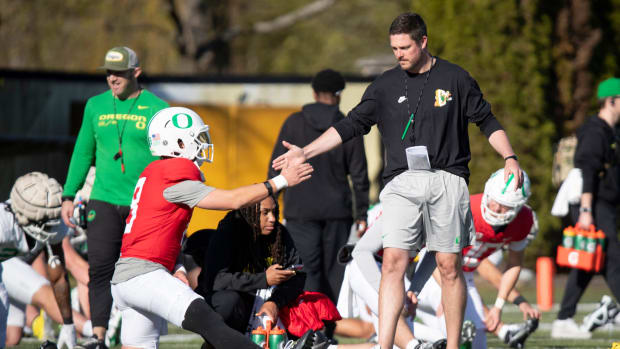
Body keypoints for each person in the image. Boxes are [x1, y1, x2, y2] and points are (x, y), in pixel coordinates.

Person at [272, 13, 523, 349]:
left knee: (449, 266)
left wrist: (510, 157)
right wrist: (307, 152)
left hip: (448, 179)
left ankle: (452, 346)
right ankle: (386, 345)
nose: (399, 54)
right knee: (393, 261)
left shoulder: (456, 78)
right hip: (402, 183)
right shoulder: (385, 86)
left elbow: (487, 121)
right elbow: (350, 126)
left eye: (405, 47)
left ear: (423, 41)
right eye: (393, 48)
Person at [109, 106, 323, 349]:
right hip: (145, 277)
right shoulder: (173, 177)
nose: (202, 145)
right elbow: (233, 200)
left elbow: (154, 233)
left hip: (126, 278)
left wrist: (177, 265)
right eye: (196, 139)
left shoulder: (155, 174)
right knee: (210, 323)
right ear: (179, 143)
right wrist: (281, 180)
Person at [60, 46, 169, 349]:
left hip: (143, 202)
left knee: (143, 270)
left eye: (119, 72)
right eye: (109, 72)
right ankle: (98, 336)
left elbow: (166, 156)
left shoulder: (157, 107)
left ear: (136, 72)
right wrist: (69, 194)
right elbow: (83, 152)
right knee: (100, 269)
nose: (112, 78)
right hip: (103, 200)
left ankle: (140, 336)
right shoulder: (95, 106)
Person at [269, 69, 370, 305]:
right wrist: (361, 214)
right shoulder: (347, 126)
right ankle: (328, 328)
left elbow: (276, 165)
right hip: (338, 213)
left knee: (305, 271)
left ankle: (309, 329)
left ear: (314, 93)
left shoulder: (293, 123)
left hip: (299, 213)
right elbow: (359, 175)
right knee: (334, 273)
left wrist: (271, 205)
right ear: (339, 94)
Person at [416, 169, 540, 349]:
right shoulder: (467, 208)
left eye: (504, 205)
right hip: (433, 271)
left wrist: (498, 306)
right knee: (452, 330)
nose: (495, 207)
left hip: (464, 275)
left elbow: (514, 265)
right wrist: (446, 292)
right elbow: (434, 252)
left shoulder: (523, 220)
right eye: (494, 200)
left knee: (478, 342)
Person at [551, 77, 620, 339]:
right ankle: (564, 319)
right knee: (613, 259)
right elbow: (587, 169)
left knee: (588, 262)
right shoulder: (595, 129)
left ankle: (564, 319)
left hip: (603, 205)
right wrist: (586, 210)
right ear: (611, 101)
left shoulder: (612, 131)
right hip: (590, 204)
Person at [197, 196, 305, 334]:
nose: (272, 218)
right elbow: (216, 281)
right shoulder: (229, 232)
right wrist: (263, 279)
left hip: (266, 302)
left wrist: (275, 302)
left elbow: (298, 274)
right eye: (265, 213)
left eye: (274, 212)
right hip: (229, 302)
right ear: (249, 213)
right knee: (228, 302)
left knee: (313, 303)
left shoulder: (279, 233)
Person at [0, 172, 77, 349]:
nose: (50, 226)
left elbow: (58, 277)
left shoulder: (53, 224)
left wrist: (68, 324)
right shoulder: (3, 226)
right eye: (43, 220)